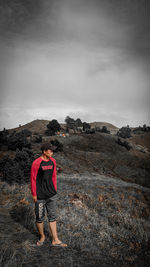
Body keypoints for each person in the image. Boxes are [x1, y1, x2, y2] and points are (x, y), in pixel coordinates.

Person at [30, 142, 67, 247]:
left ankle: (55, 239)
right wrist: (34, 194)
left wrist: (54, 189)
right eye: (50, 150)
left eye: (52, 150)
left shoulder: (53, 161)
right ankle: (42, 237)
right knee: (40, 217)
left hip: (51, 195)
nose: (52, 152)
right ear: (44, 151)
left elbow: (54, 176)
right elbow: (33, 179)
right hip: (40, 196)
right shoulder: (36, 163)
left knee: (52, 217)